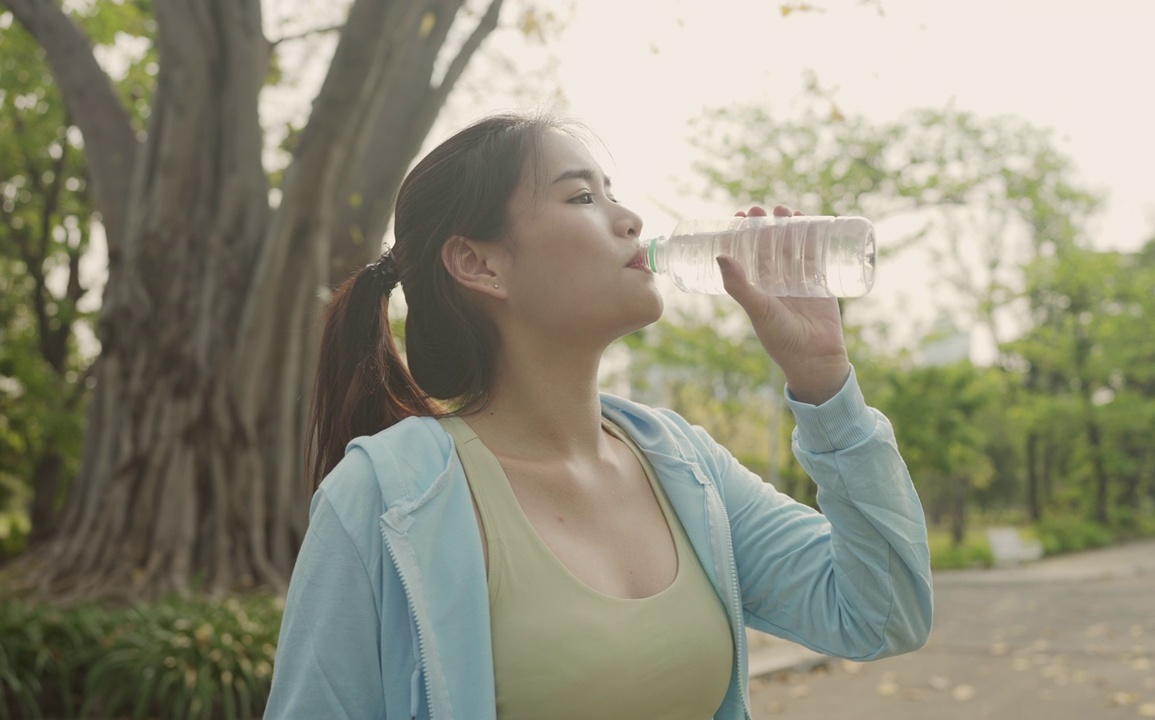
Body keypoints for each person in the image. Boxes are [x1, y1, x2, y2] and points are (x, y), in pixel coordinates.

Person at [264, 112, 932, 720]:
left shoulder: (683, 467)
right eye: (582, 197)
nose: (631, 219)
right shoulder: (387, 500)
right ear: (479, 263)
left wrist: (822, 382)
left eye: (611, 192)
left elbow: (882, 614)